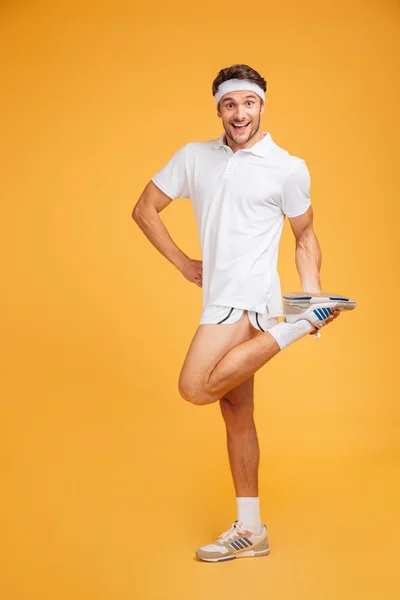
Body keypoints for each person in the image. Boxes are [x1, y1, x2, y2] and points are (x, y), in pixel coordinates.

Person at [132, 64, 354, 562]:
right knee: (236, 414)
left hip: (249, 298)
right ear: (219, 109)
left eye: (248, 103)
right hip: (217, 294)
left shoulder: (286, 167)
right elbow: (144, 209)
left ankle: (299, 324)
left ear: (261, 107)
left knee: (193, 387)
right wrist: (184, 262)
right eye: (230, 104)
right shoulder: (194, 158)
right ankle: (251, 530)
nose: (240, 113)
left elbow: (304, 234)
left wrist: (310, 293)